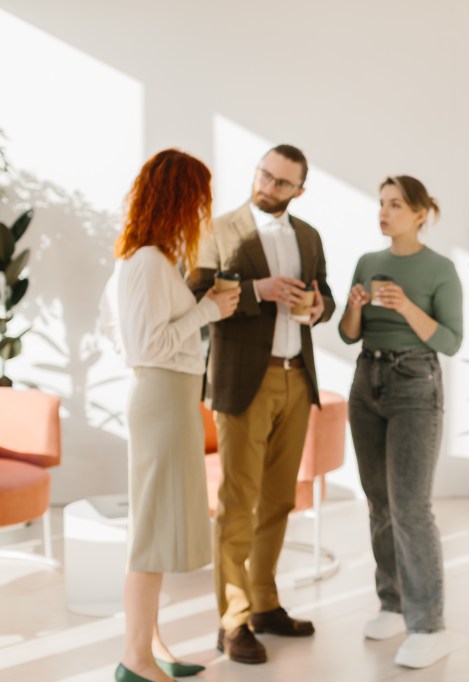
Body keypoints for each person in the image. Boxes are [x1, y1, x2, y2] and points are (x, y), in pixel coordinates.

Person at [186, 144, 334, 665]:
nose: (268, 187)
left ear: (299, 190)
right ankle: (231, 621)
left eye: (281, 183)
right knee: (237, 503)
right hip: (244, 383)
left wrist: (316, 307)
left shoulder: (308, 236)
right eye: (264, 175)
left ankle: (265, 603)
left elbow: (327, 296)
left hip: (297, 380)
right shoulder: (220, 230)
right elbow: (197, 296)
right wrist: (258, 290)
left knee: (278, 500)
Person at [113, 149, 240, 682]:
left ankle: (153, 645)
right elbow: (146, 344)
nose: (203, 210)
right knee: (150, 532)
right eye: (199, 198)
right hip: (161, 399)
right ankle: (134, 660)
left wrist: (200, 305)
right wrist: (209, 310)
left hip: (171, 397)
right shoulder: (145, 262)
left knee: (159, 528)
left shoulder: (154, 260)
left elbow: (138, 332)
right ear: (179, 198)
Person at [338, 176, 463, 669]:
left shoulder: (441, 269)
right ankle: (391, 602)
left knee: (410, 506)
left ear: (419, 214)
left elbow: (450, 341)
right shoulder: (369, 263)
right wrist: (354, 310)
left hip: (415, 383)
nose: (384, 212)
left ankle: (429, 624)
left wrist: (406, 305)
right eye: (381, 204)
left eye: (394, 205)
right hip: (366, 378)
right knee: (379, 502)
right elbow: (350, 336)